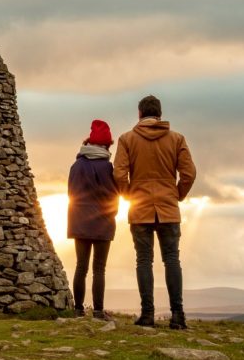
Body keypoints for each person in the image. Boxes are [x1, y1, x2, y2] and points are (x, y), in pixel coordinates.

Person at [113, 95, 197, 329]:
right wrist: (176, 194)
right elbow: (189, 174)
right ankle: (178, 316)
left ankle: (147, 314)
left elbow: (119, 174)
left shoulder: (127, 139)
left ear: (139, 114)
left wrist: (130, 195)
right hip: (168, 208)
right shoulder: (177, 139)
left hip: (140, 208)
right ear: (159, 114)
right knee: (172, 259)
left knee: (144, 260)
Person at [67, 119, 119, 319]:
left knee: (81, 266)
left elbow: (71, 193)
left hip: (79, 220)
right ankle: (98, 311)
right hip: (103, 222)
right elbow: (114, 195)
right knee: (99, 268)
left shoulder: (76, 165)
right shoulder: (107, 167)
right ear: (106, 145)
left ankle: (78, 309)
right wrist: (112, 214)